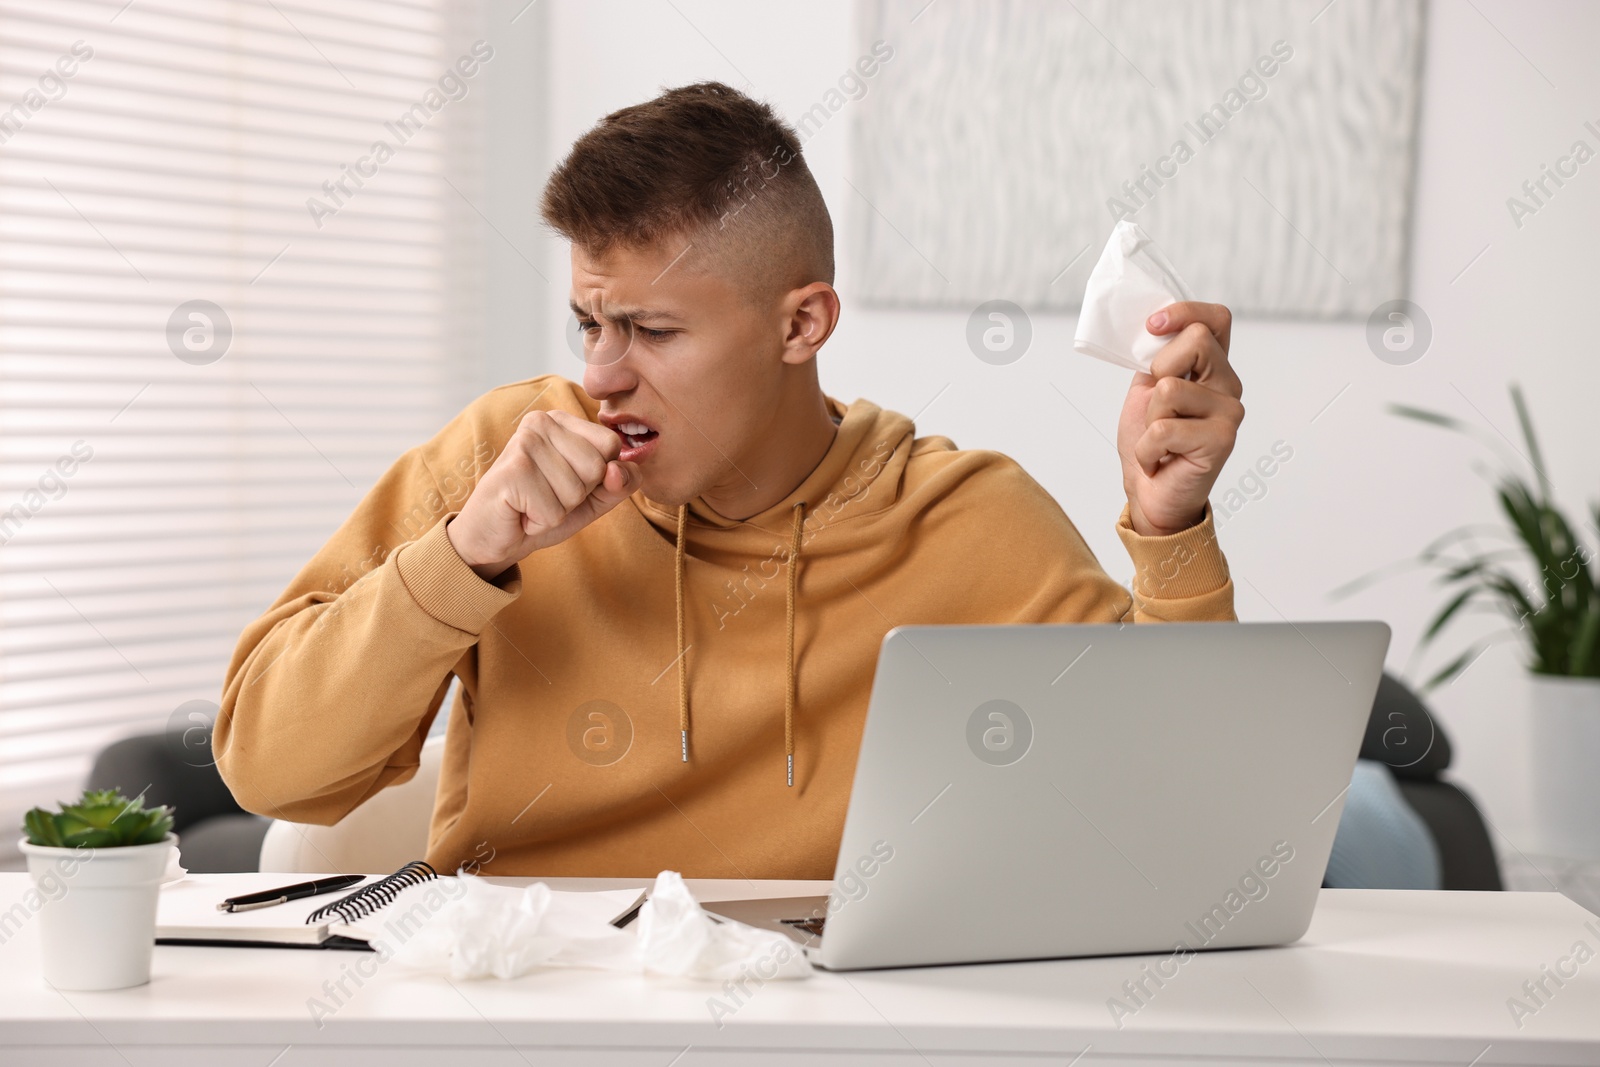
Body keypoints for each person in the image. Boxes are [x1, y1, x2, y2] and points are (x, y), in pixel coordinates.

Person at [214, 82, 1245, 879]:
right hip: (523, 1010)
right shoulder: (502, 457)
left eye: (652, 331)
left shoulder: (962, 518)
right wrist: (464, 554)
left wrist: (1173, 527)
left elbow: (1178, 820)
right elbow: (272, 770)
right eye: (589, 322)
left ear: (801, 325)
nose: (601, 374)